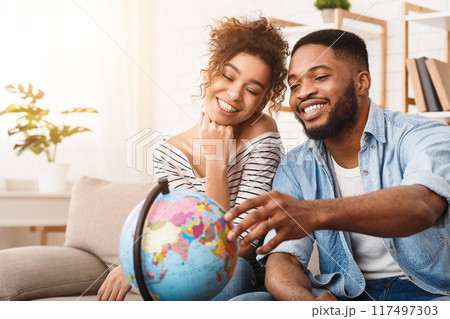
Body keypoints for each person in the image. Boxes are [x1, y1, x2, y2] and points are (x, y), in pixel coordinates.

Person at [224, 29, 450, 301]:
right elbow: (284, 259)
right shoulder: (295, 166)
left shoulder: (423, 134)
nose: (303, 93)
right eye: (294, 85)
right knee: (246, 303)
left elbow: (421, 206)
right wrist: (309, 305)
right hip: (346, 297)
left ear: (361, 82)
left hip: (430, 293)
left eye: (320, 77)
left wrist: (314, 213)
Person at [96, 16, 288, 301]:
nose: (235, 94)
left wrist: (217, 162)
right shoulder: (168, 154)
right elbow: (175, 243)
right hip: (185, 277)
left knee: (230, 276)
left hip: (241, 274)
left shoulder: (261, 132)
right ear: (210, 72)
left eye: (252, 90)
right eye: (228, 76)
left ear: (261, 102)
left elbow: (237, 246)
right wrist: (134, 264)